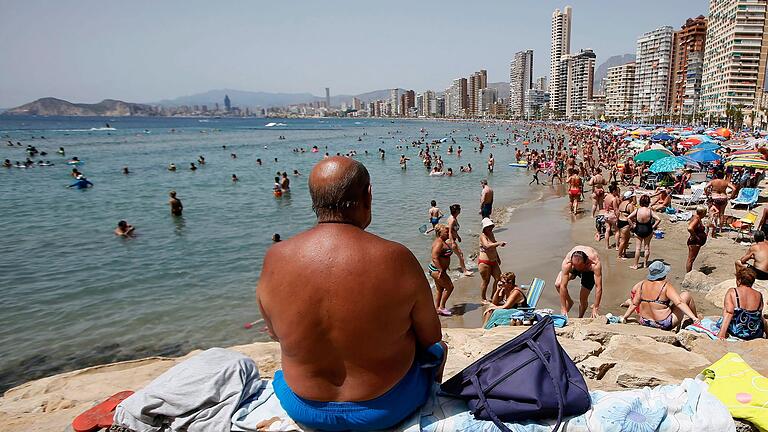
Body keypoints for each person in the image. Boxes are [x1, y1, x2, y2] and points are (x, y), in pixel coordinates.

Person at [257, 157, 446, 431]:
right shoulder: (396, 257)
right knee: (438, 351)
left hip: (302, 406)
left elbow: (274, 333)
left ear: (313, 200)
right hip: (384, 408)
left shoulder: (275, 257)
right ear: (368, 196)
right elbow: (432, 337)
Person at [620, 262, 700, 331]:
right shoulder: (665, 286)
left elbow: (634, 304)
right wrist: (694, 318)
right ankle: (696, 319)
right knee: (686, 295)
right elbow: (679, 302)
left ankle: (694, 318)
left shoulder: (642, 284)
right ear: (664, 274)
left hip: (645, 322)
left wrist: (625, 317)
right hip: (663, 323)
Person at [717, 267, 767, 340]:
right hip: (754, 333)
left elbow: (729, 313)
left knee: (722, 318)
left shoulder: (732, 292)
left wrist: (721, 334)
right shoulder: (759, 295)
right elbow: (759, 315)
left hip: (736, 332)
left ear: (739, 280)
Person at [555, 246, 603, 318]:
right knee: (558, 284)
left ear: (586, 262)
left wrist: (595, 307)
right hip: (574, 266)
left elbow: (598, 286)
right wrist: (563, 308)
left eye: (579, 266)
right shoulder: (568, 263)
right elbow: (563, 286)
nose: (577, 268)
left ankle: (580, 317)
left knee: (583, 299)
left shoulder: (594, 263)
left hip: (588, 273)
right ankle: (570, 302)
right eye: (575, 266)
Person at [628, 195, 661, 270]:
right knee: (647, 248)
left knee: (638, 249)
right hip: (648, 230)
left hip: (638, 229)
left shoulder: (637, 210)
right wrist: (653, 227)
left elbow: (628, 218)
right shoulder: (650, 211)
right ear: (648, 202)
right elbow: (659, 219)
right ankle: (645, 264)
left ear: (641, 202)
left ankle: (635, 265)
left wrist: (633, 226)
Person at [478, 218, 506, 304]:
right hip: (484, 262)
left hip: (494, 261)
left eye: (491, 226)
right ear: (484, 228)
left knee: (499, 279)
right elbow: (487, 246)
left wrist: (498, 257)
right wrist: (499, 243)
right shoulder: (483, 236)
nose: (490, 228)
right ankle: (483, 298)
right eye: (488, 227)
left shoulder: (491, 234)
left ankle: (494, 296)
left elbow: (493, 247)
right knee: (486, 281)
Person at [430, 224, 455, 316]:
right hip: (436, 270)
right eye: (446, 232)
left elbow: (442, 256)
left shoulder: (443, 242)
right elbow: (434, 258)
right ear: (439, 233)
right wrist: (440, 270)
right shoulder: (439, 243)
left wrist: (446, 266)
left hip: (438, 270)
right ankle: (442, 307)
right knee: (450, 287)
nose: (448, 233)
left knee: (440, 289)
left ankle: (436, 308)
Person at [704, 171, 736, 236]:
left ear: (716, 175)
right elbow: (734, 189)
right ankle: (721, 229)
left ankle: (714, 229)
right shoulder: (725, 182)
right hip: (723, 198)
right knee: (721, 214)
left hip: (715, 198)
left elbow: (705, 187)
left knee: (714, 213)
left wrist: (707, 195)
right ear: (723, 175)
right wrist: (731, 196)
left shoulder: (713, 181)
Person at [446, 204, 473, 277]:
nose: (460, 210)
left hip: (451, 239)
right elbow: (450, 231)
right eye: (459, 209)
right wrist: (453, 242)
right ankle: (465, 271)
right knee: (460, 254)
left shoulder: (452, 218)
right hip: (450, 240)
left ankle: (461, 267)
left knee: (454, 255)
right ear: (457, 211)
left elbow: (453, 231)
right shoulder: (452, 220)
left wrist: (458, 237)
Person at [686, 206, 708, 273]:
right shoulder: (696, 218)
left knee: (691, 259)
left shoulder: (696, 217)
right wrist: (694, 236)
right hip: (694, 242)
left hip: (695, 242)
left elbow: (690, 224)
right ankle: (688, 275)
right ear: (703, 213)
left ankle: (689, 273)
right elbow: (690, 228)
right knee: (691, 259)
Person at [616, 191, 635, 260]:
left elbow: (618, 212)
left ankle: (624, 253)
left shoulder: (622, 203)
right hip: (625, 223)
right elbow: (632, 216)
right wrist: (634, 224)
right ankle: (619, 255)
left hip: (620, 221)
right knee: (623, 240)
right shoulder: (630, 205)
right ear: (630, 197)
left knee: (626, 239)